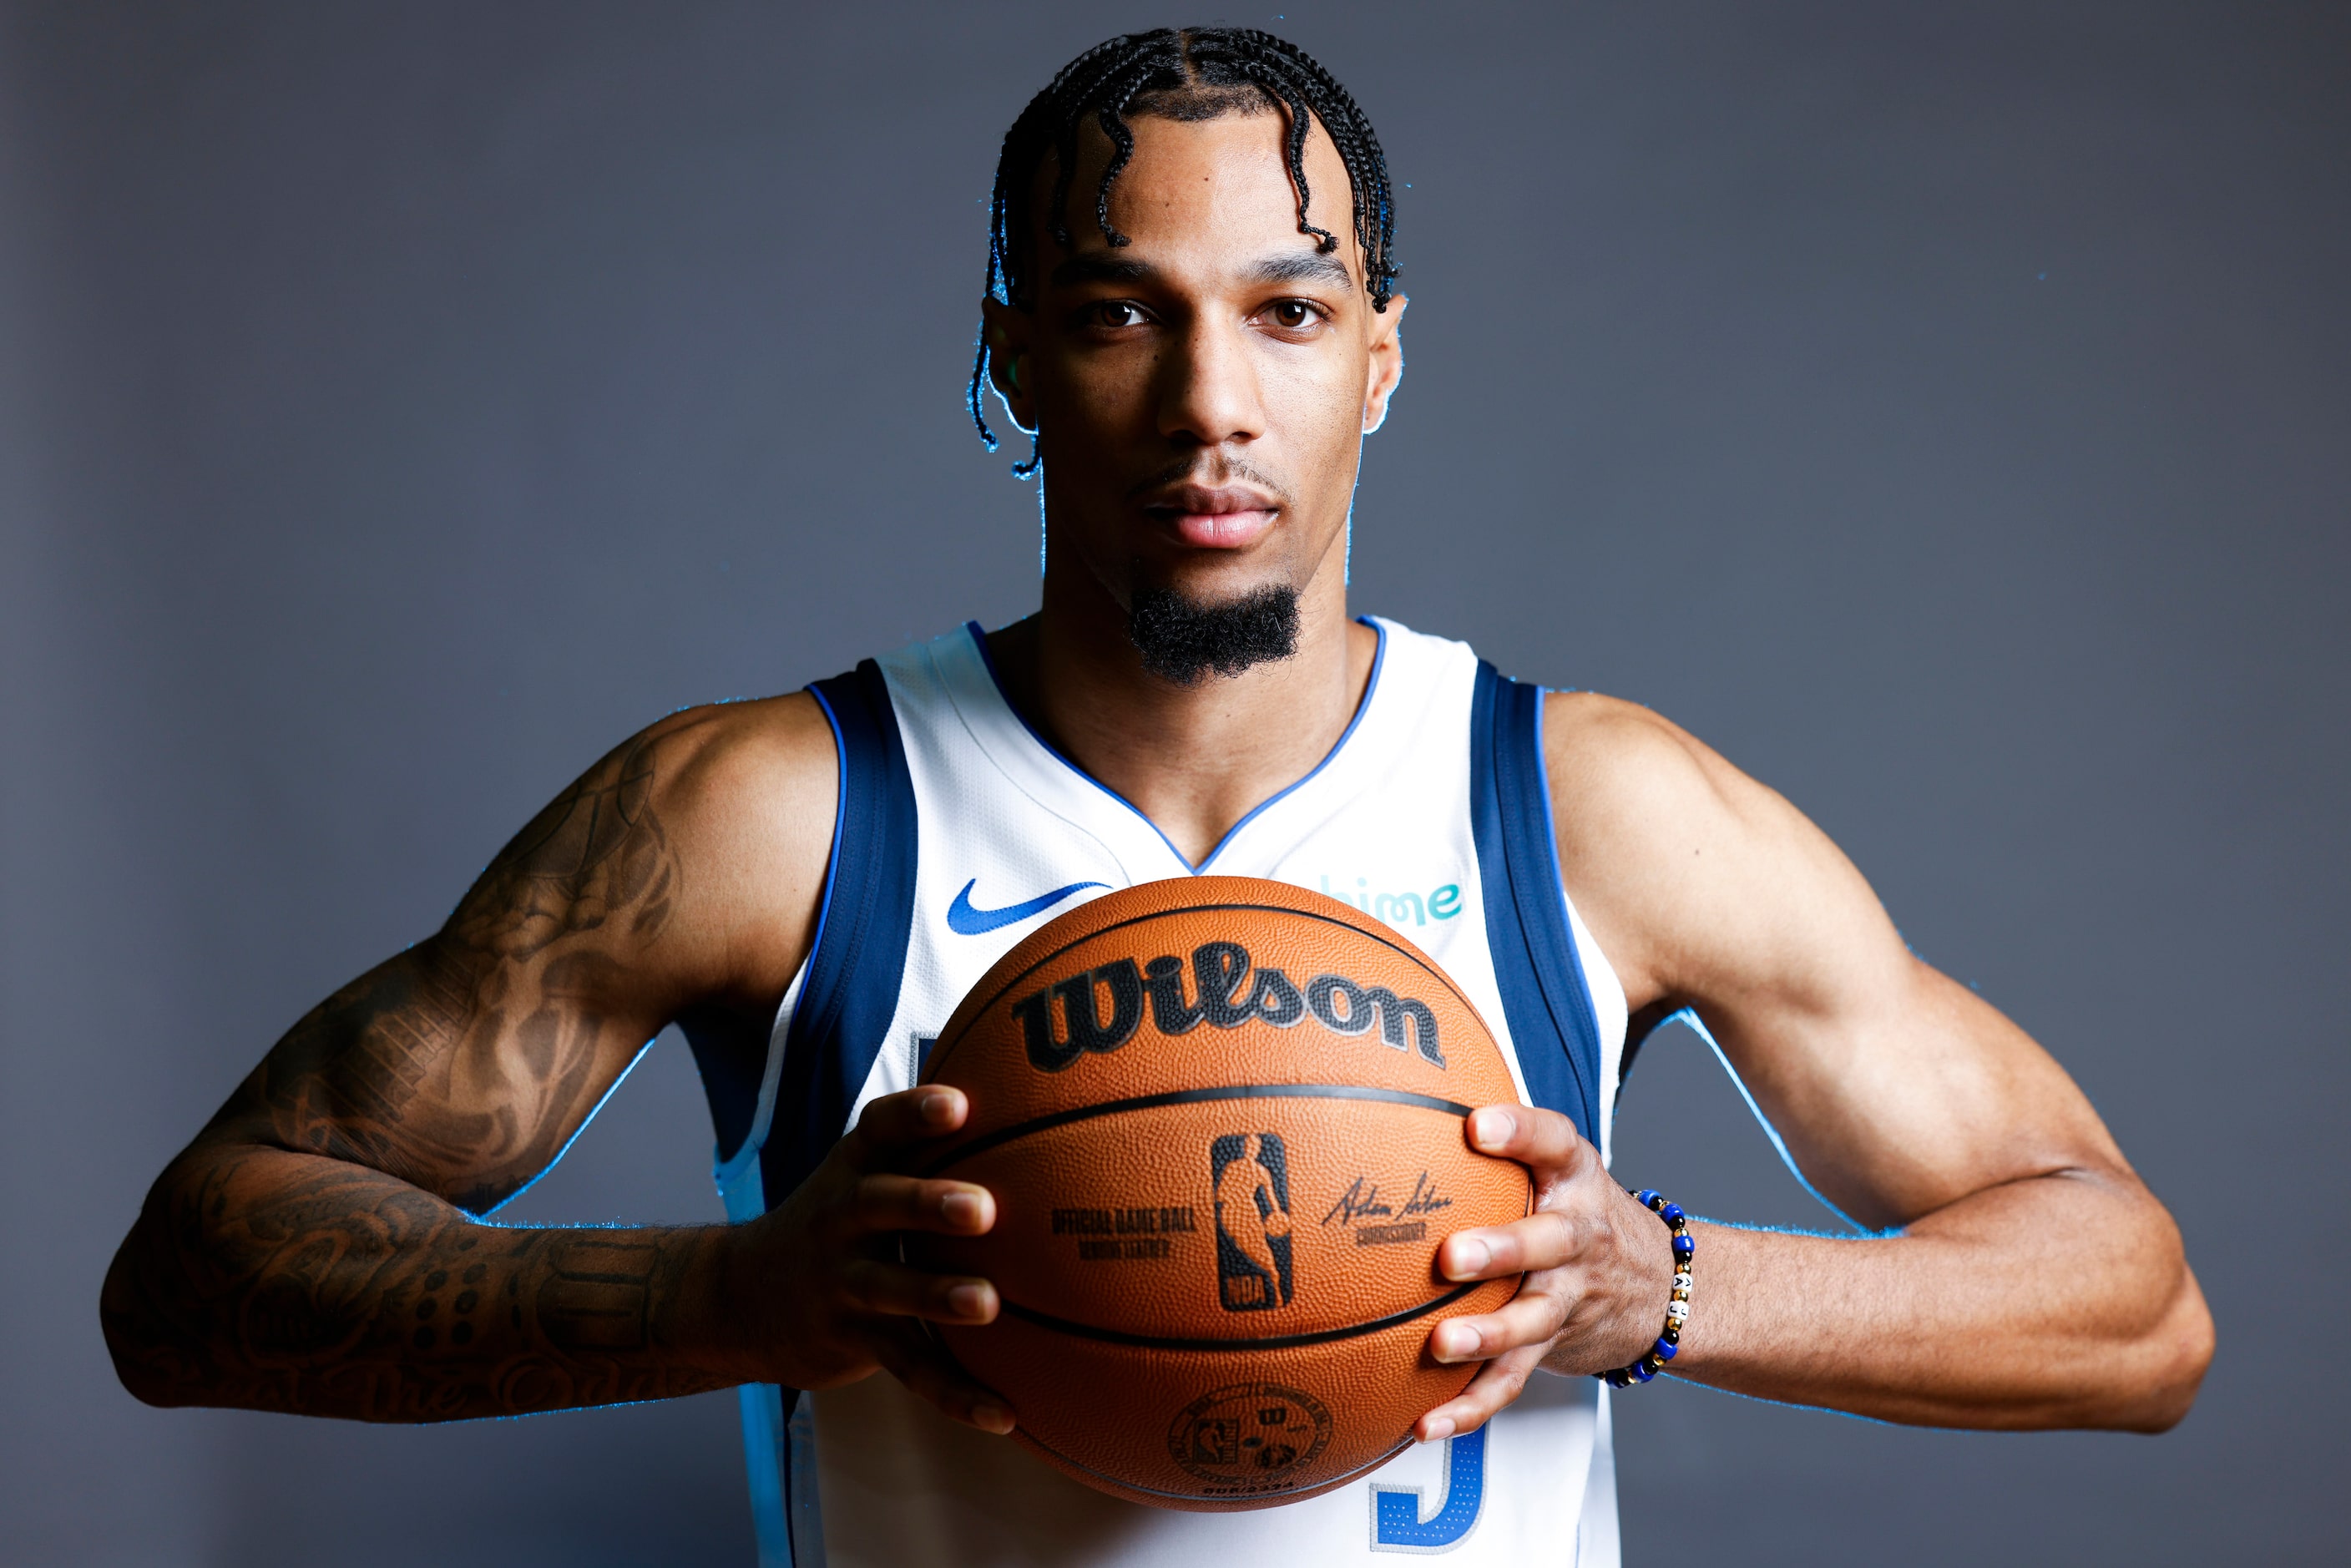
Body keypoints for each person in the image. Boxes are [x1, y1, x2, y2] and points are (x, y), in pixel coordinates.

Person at [100, 25, 2212, 1567]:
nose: (1214, 405)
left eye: (1287, 314)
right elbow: (195, 1283)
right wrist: (736, 1295)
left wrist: (1658, 1287)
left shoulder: (1582, 809)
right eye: (1123, 316)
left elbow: (2133, 1305)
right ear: (1016, 360)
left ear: (1378, 355)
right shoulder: (778, 815)